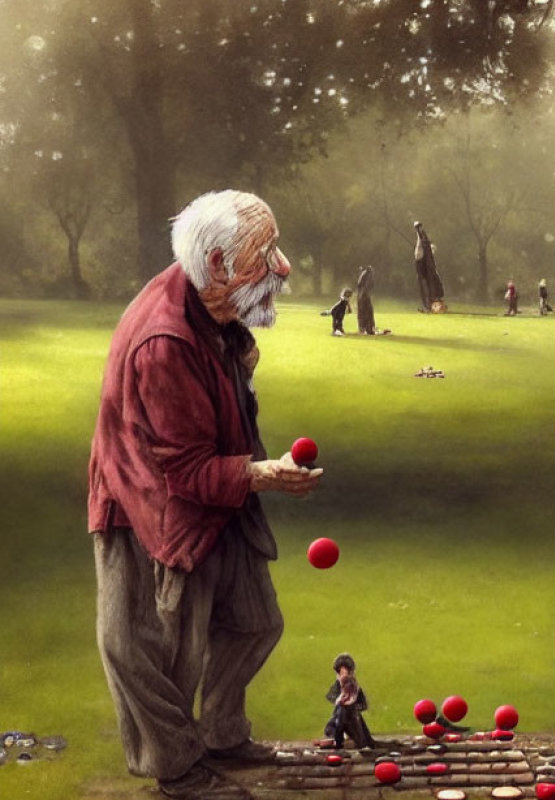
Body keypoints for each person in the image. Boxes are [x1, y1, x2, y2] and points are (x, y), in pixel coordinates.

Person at [88, 190, 324, 800]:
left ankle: (222, 732)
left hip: (215, 490)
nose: (283, 266)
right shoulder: (164, 342)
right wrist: (265, 475)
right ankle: (178, 768)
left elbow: (206, 419)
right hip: (149, 505)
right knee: (150, 647)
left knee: (254, 621)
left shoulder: (205, 298)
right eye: (264, 253)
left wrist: (238, 363)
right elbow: (186, 476)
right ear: (217, 264)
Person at [323, 653, 375, 749]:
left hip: (352, 721)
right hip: (342, 723)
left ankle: (349, 740)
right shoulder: (339, 694)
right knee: (341, 715)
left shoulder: (355, 690)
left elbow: (362, 705)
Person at [414, 221, 446, 313]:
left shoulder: (427, 251)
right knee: (425, 284)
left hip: (424, 264)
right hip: (421, 262)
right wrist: (418, 229)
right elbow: (419, 236)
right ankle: (429, 304)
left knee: (431, 283)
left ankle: (433, 303)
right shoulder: (421, 248)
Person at [356, 265, 376, 335]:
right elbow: (367, 285)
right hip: (364, 296)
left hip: (362, 296)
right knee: (367, 312)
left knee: (363, 312)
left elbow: (360, 285)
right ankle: (368, 328)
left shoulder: (363, 274)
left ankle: (363, 328)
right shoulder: (367, 274)